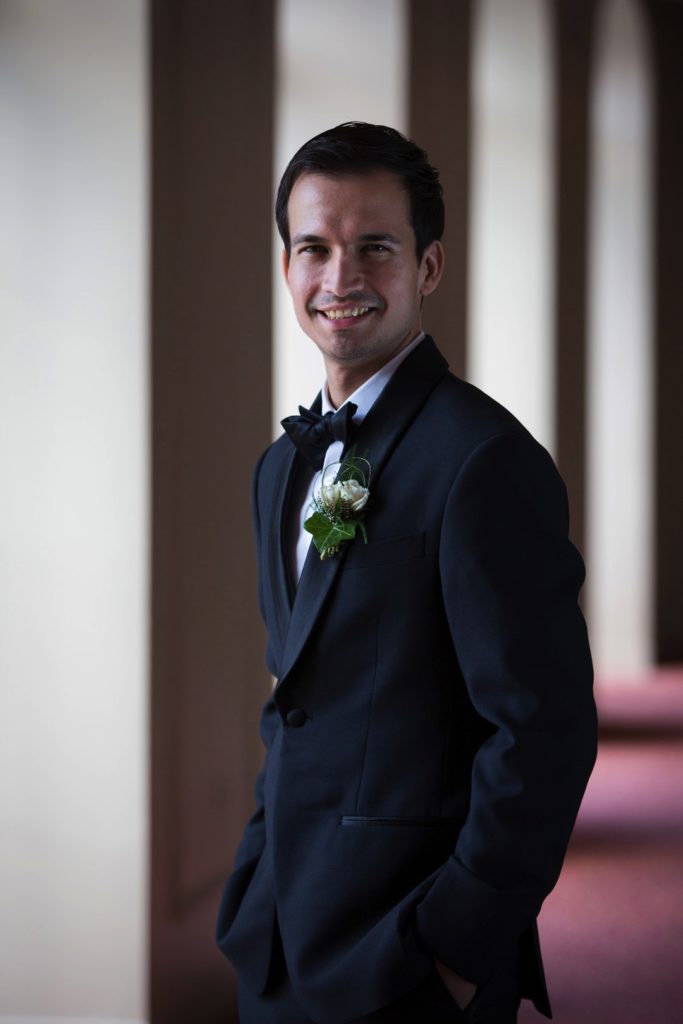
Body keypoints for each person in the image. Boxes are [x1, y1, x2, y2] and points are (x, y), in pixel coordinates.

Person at [216, 122, 597, 1024]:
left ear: (427, 266)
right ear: (286, 270)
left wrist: (458, 946)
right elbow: (302, 699)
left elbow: (542, 732)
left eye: (374, 247)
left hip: (408, 953)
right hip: (276, 936)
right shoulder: (279, 470)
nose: (339, 278)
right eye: (314, 248)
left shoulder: (483, 461)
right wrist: (254, 883)